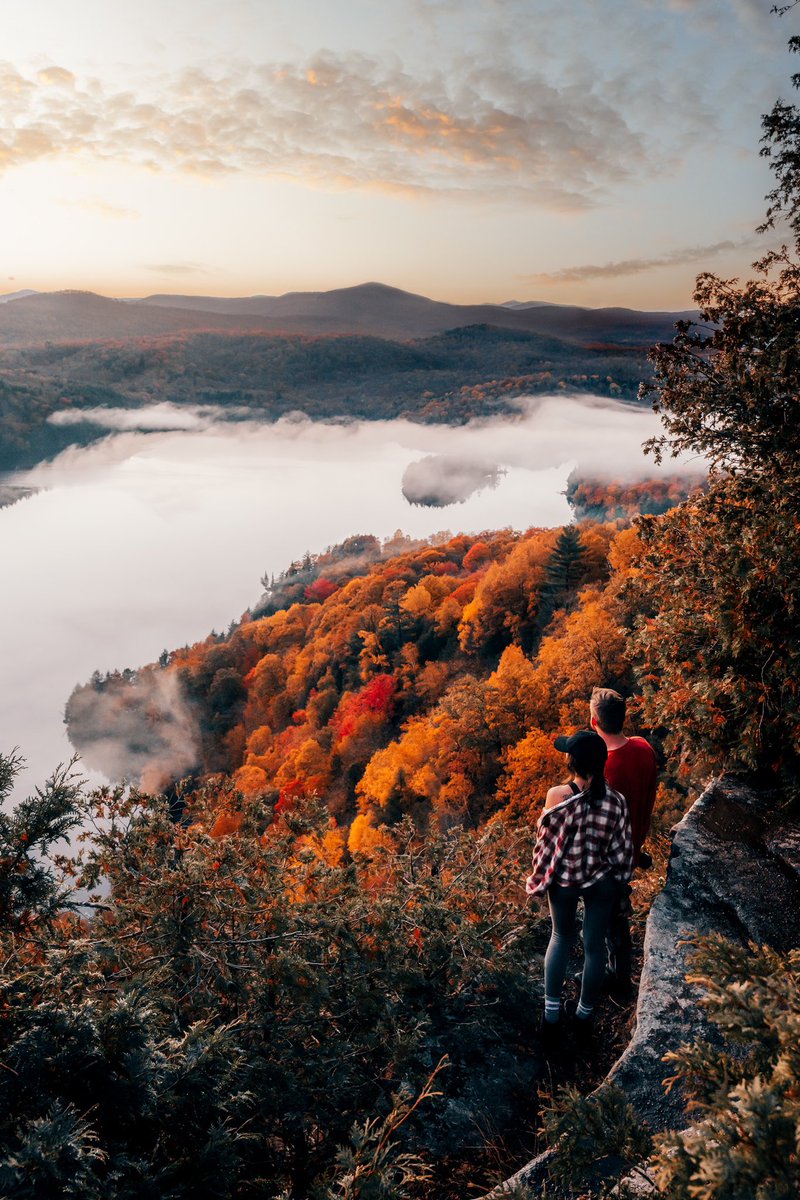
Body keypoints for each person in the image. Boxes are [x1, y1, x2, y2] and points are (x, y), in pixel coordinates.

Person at [526, 729, 633, 1050]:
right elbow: (622, 853)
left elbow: (545, 844)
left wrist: (539, 877)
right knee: (594, 946)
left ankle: (551, 1018)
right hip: (600, 881)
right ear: (602, 763)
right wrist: (620, 884)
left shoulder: (556, 796)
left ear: (571, 762)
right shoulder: (616, 801)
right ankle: (584, 1016)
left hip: (564, 879)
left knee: (560, 937)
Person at [589, 687, 658, 995]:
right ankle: (617, 971)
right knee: (615, 912)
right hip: (634, 843)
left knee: (611, 917)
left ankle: (618, 978)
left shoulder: (603, 769)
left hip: (611, 859)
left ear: (594, 722)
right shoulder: (644, 748)